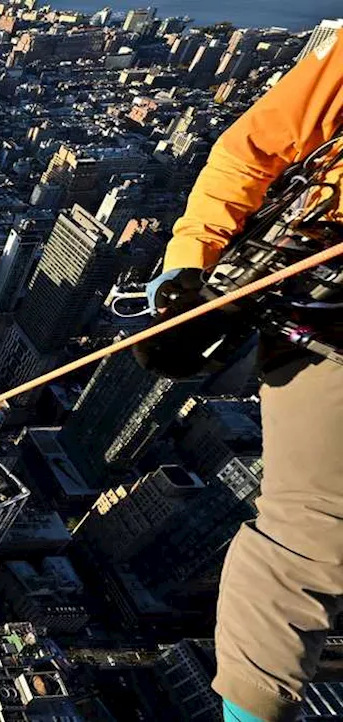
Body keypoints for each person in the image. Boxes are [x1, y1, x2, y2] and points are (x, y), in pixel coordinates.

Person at [143, 30, 343, 722]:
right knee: (305, 541)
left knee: (303, 544)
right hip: (330, 326)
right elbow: (254, 147)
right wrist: (189, 272)